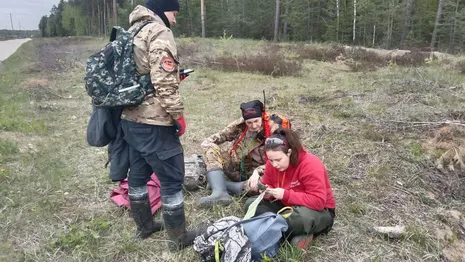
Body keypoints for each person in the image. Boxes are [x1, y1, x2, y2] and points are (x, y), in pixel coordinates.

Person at [120, 0, 202, 251]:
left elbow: (143, 75)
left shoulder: (132, 30)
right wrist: (178, 115)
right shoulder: (159, 31)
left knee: (138, 174)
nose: (174, 20)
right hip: (154, 121)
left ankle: (144, 227)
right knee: (172, 180)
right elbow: (164, 83)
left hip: (129, 119)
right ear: (160, 8)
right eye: (173, 13)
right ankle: (178, 238)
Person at [244, 128, 336, 249]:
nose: (274, 164)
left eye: (278, 160)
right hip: (286, 206)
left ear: (289, 152)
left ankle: (276, 233)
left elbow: (318, 201)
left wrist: (285, 195)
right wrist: (267, 193)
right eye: (270, 160)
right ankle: (294, 234)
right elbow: (269, 184)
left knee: (298, 218)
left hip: (318, 211)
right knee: (251, 205)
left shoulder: (310, 164)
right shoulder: (272, 164)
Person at [199, 100, 291, 207]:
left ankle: (221, 185)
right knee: (210, 148)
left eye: (256, 121)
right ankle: (219, 193)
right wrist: (207, 143)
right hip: (237, 167)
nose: (254, 125)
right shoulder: (241, 125)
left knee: (266, 187)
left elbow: (282, 159)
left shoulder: (275, 129)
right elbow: (221, 136)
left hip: (262, 173)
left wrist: (257, 172)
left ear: (262, 116)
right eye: (249, 122)